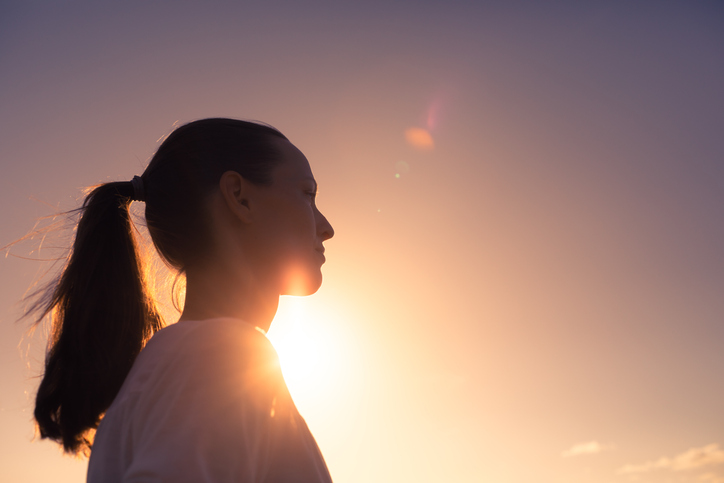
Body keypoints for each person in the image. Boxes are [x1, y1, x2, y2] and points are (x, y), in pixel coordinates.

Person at [30, 118, 335, 482]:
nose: (326, 226)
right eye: (307, 194)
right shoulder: (223, 355)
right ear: (240, 197)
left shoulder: (187, 362)